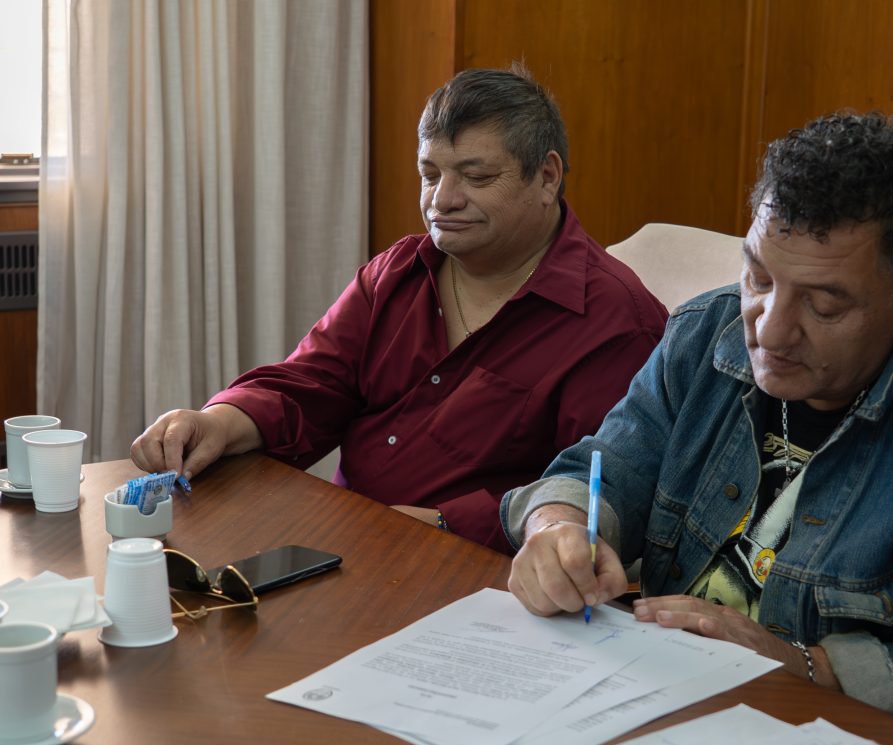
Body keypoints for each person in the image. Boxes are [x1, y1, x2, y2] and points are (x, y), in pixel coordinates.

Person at [501, 112, 893, 743]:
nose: (770, 329)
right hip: (648, 694)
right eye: (759, 277)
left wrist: (799, 664)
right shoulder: (707, 332)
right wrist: (557, 527)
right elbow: (606, 466)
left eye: (823, 303)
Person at [131, 66, 668, 554]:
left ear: (547, 177)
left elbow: (599, 495)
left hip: (480, 573)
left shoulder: (614, 320)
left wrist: (440, 525)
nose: (442, 200)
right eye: (430, 174)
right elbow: (313, 384)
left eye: (476, 177)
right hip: (346, 539)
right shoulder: (397, 271)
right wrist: (218, 421)